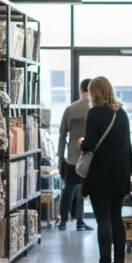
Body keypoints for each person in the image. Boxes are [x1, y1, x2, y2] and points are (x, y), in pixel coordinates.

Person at [79, 77, 132, 263]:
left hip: (100, 174)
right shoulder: (123, 114)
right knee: (117, 217)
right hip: (120, 173)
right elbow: (127, 146)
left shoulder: (95, 113)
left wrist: (81, 142)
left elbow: (90, 144)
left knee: (103, 218)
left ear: (94, 93)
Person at [56, 79, 93, 231]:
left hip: (72, 156)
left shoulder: (70, 109)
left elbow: (62, 134)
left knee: (69, 189)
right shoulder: (95, 109)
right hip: (90, 156)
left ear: (80, 89)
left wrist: (60, 157)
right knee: (82, 191)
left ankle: (63, 221)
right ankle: (80, 221)